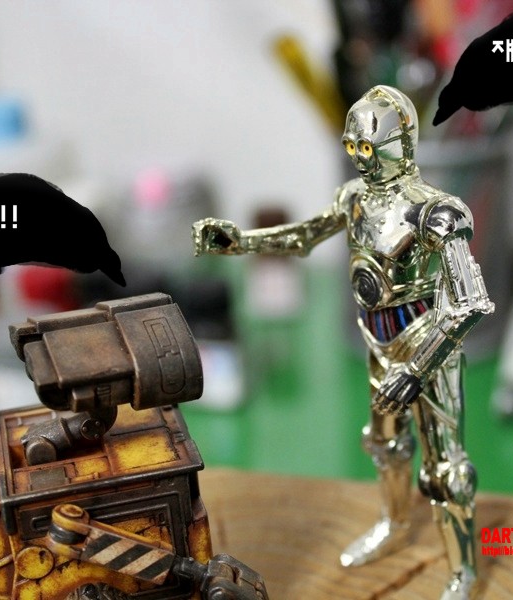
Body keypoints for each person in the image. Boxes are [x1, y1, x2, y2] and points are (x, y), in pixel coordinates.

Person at [192, 85, 493, 599]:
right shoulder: (355, 198)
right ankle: (395, 524)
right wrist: (241, 242)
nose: (360, 158)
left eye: (369, 147)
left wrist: (416, 370)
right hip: (378, 340)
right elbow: (307, 235)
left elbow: (469, 303)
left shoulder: (436, 213)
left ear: (402, 144)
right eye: (353, 146)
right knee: (384, 443)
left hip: (427, 345)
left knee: (446, 469)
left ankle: (463, 570)